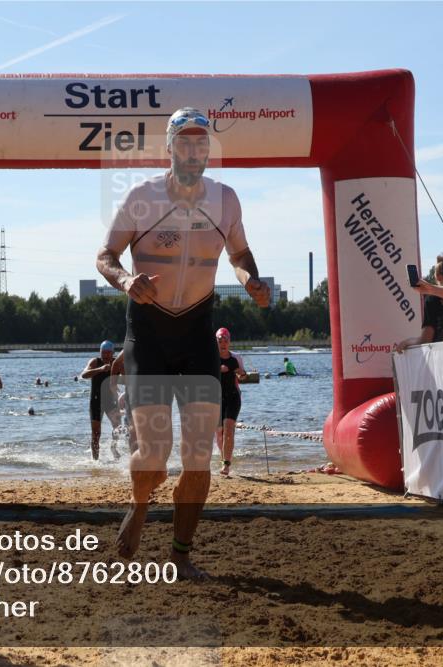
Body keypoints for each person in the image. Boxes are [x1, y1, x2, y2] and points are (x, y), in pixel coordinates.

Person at [96, 106, 271, 579]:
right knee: (153, 454)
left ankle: (180, 553)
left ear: (208, 149)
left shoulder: (226, 200)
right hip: (149, 332)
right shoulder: (142, 197)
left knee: (199, 457)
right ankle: (138, 504)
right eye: (185, 142)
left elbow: (239, 253)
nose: (194, 151)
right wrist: (127, 279)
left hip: (197, 331)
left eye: (202, 143)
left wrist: (251, 279)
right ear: (169, 148)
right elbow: (105, 255)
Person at [393, 254, 443, 352]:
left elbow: (426, 339)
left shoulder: (432, 299)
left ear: (438, 277)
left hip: (442, 358)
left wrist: (406, 342)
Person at [81, 340, 122, 460]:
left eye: (108, 353)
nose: (106, 355)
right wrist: (100, 369)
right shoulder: (95, 362)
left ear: (112, 353)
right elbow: (84, 375)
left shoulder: (116, 363)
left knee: (118, 427)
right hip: (96, 401)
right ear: (100, 352)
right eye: (103, 353)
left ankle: (113, 448)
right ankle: (95, 461)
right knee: (96, 433)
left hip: (111, 401)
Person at [214, 327, 246, 477]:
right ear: (216, 342)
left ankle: (226, 464)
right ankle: (224, 457)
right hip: (215, 399)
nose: (223, 343)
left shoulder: (236, 358)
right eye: (220, 340)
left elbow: (242, 377)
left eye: (225, 340)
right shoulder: (210, 358)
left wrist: (242, 374)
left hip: (233, 397)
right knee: (219, 433)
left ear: (230, 342)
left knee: (228, 429)